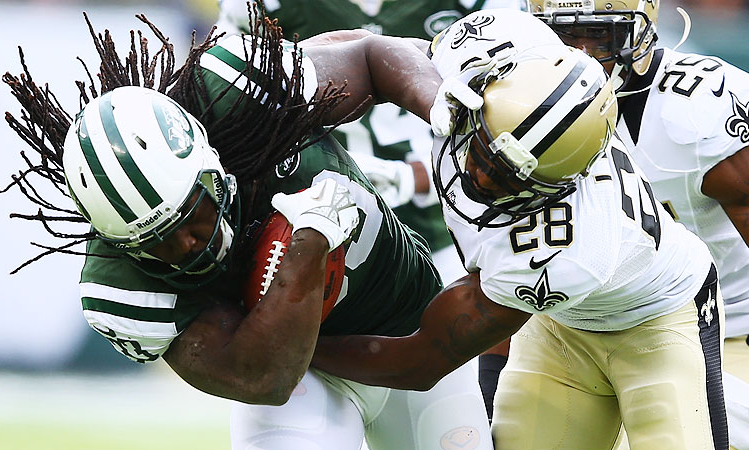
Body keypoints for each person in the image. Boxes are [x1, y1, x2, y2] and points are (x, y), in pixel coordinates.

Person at [1, 6, 493, 450]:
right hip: (306, 380)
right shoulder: (120, 287)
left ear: (210, 160)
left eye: (190, 212)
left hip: (407, 313)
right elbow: (263, 378)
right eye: (157, 241)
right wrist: (308, 246)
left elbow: (368, 56)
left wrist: (441, 108)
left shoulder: (236, 92)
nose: (189, 244)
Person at [310, 9, 730, 450]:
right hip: (559, 326)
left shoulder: (565, 254)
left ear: (563, 185)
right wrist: (283, 76)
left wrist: (299, 348)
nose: (483, 181)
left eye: (512, 180)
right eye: (485, 153)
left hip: (659, 319)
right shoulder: (496, 52)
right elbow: (374, 53)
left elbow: (421, 361)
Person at [215, 0, 528, 414]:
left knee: (472, 406)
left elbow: (513, 114)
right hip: (307, 241)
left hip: (445, 239)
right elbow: (235, 114)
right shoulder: (265, 7)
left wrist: (417, 175)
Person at [528, 2, 749, 448]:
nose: (582, 56)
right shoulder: (516, 102)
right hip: (574, 329)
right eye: (564, 37)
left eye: (601, 35)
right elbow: (506, 260)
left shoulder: (701, 105)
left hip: (725, 328)